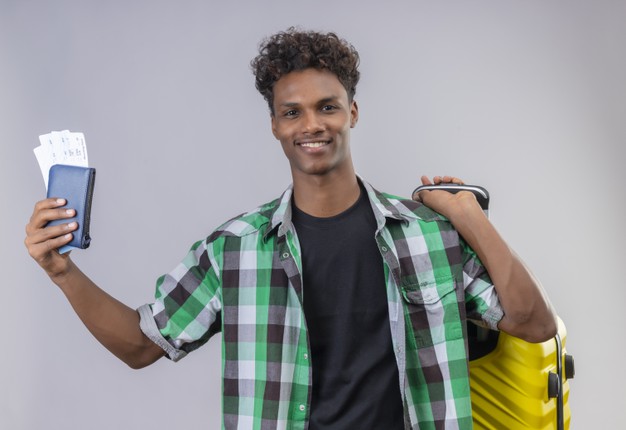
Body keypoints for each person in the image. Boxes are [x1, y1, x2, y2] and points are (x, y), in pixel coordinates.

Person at [25, 28, 557, 430]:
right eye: (292, 112)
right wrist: (63, 272)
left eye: (327, 107)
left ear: (352, 112)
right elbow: (142, 345)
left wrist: (470, 217)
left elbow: (534, 324)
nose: (312, 125)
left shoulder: (429, 235)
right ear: (275, 125)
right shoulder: (233, 249)